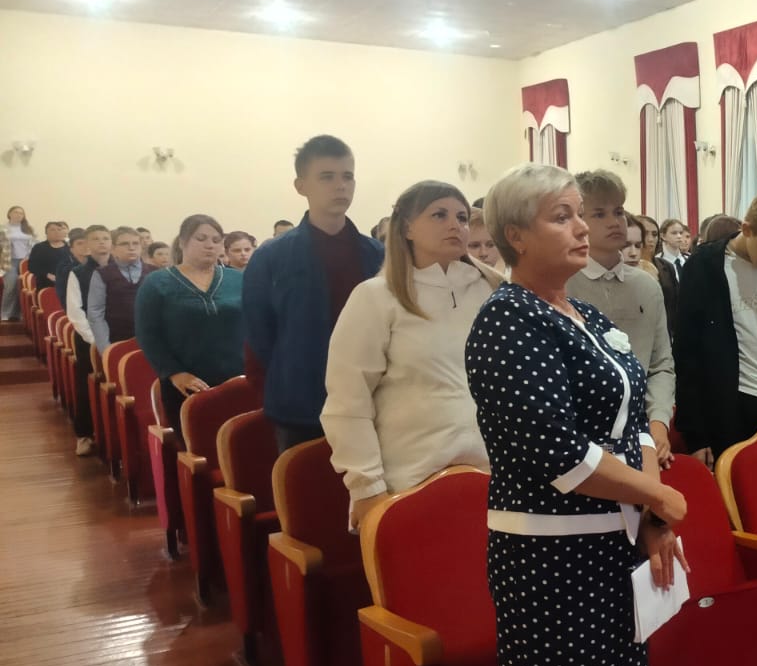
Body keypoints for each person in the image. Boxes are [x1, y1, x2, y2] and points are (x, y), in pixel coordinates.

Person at [464, 163, 686, 666]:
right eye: (561, 216)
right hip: (545, 557)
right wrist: (658, 495)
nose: (582, 227)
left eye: (579, 213)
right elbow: (561, 455)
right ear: (515, 236)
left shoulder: (583, 313)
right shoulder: (507, 320)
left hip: (606, 548)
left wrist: (651, 513)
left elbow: (631, 426)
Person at [322, 181, 493, 529]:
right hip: (408, 478)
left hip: (493, 475)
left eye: (462, 217)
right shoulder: (376, 297)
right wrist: (366, 485)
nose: (455, 225)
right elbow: (348, 401)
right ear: (407, 228)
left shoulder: (491, 292)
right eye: (439, 215)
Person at [244, 135, 384, 453]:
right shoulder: (271, 257)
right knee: (303, 482)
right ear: (301, 185)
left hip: (370, 398)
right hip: (300, 402)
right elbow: (259, 335)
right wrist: (283, 380)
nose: (340, 186)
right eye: (327, 177)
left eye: (347, 176)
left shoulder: (376, 253)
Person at [672, 187, 757, 463]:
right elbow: (687, 353)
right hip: (731, 405)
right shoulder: (704, 266)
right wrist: (696, 434)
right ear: (747, 229)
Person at [566, 171, 675, 466]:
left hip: (640, 430)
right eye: (599, 214)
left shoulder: (646, 285)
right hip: (580, 436)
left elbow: (660, 364)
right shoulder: (562, 284)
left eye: (618, 211)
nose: (615, 222)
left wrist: (658, 424)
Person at [135, 215, 245, 444]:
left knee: (242, 447)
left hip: (239, 381)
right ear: (183, 242)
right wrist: (175, 373)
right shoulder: (157, 283)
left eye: (216, 240)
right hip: (187, 384)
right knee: (199, 449)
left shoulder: (238, 279)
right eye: (201, 238)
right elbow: (148, 335)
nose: (210, 245)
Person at [65, 225, 113, 455]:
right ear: (86, 245)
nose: (102, 242)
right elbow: (75, 311)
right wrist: (96, 339)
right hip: (89, 340)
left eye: (106, 238)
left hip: (119, 337)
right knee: (87, 386)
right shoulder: (78, 273)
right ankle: (84, 435)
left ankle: (115, 435)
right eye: (96, 239)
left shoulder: (121, 270)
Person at [86, 226, 146, 355]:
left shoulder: (155, 272)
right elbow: (95, 313)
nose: (131, 248)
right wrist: (106, 349)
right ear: (113, 248)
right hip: (116, 340)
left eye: (136, 243)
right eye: (125, 244)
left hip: (151, 341)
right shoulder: (103, 273)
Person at [2, 205, 34, 321]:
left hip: (25, 261)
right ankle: (5, 313)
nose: (18, 215)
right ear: (9, 214)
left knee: (22, 287)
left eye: (21, 213)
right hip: (9, 261)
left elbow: (34, 243)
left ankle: (18, 313)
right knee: (11, 285)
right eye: (15, 212)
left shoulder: (29, 229)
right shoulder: (3, 228)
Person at [26, 221, 70, 301]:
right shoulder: (39, 248)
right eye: (53, 230)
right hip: (46, 284)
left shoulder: (70, 247)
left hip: (68, 284)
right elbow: (31, 266)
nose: (57, 232)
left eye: (59, 229)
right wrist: (47, 274)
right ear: (46, 233)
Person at [55, 228, 89, 305]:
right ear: (72, 249)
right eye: (80, 243)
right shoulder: (65, 269)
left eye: (87, 242)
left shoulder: (99, 265)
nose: (85, 246)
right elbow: (64, 295)